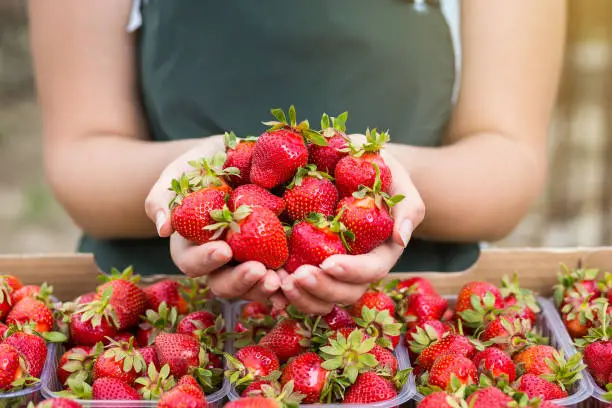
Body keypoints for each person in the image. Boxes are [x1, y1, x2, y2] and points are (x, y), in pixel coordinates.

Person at [29, 0, 565, 314]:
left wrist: (376, 184)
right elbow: (81, 153)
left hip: (404, 307)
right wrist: (210, 172)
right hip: (164, 306)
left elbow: (507, 157)